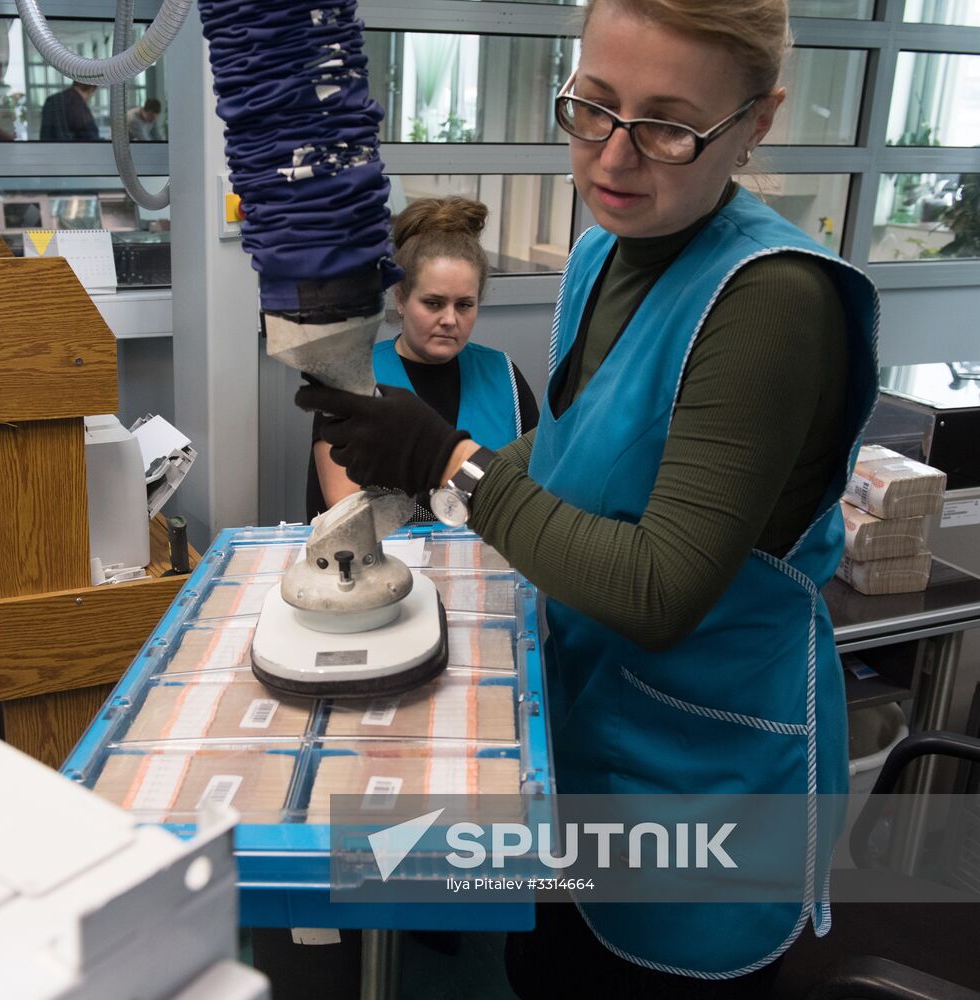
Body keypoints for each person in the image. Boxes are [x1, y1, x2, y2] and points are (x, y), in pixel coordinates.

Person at [297, 0, 879, 995]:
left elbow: (659, 588)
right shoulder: (608, 246)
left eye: (664, 125)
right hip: (586, 734)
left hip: (698, 778)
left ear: (755, 121)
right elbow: (576, 444)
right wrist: (418, 465)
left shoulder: (770, 302)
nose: (612, 158)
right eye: (591, 107)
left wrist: (450, 462)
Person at [306, 196, 538, 521]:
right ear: (400, 298)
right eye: (433, 303)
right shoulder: (354, 379)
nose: (449, 319)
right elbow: (345, 509)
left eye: (464, 305)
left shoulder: (505, 377)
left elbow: (535, 489)